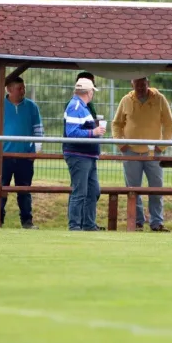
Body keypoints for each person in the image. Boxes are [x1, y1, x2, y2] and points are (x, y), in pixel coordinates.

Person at [112, 77, 172, 232]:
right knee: (133, 189)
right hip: (130, 151)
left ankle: (157, 223)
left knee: (156, 188)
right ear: (132, 84)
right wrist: (121, 144)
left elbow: (169, 124)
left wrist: (162, 146)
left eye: (143, 84)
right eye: (137, 84)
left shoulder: (159, 99)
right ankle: (137, 222)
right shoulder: (126, 100)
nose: (140, 87)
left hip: (153, 152)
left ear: (148, 84)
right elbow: (116, 124)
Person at [0, 76, 43, 229]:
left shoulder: (32, 107)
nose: (23, 91)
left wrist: (34, 152)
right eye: (19, 88)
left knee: (24, 190)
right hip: (3, 157)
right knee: (0, 189)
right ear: (9, 89)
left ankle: (27, 222)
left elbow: (38, 131)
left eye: (23, 88)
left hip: (24, 157)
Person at [63, 78, 105, 231]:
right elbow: (72, 132)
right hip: (78, 155)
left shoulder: (81, 106)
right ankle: (74, 225)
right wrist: (93, 132)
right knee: (80, 191)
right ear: (88, 92)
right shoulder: (76, 106)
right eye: (92, 91)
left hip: (88, 155)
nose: (93, 94)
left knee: (93, 191)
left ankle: (88, 224)